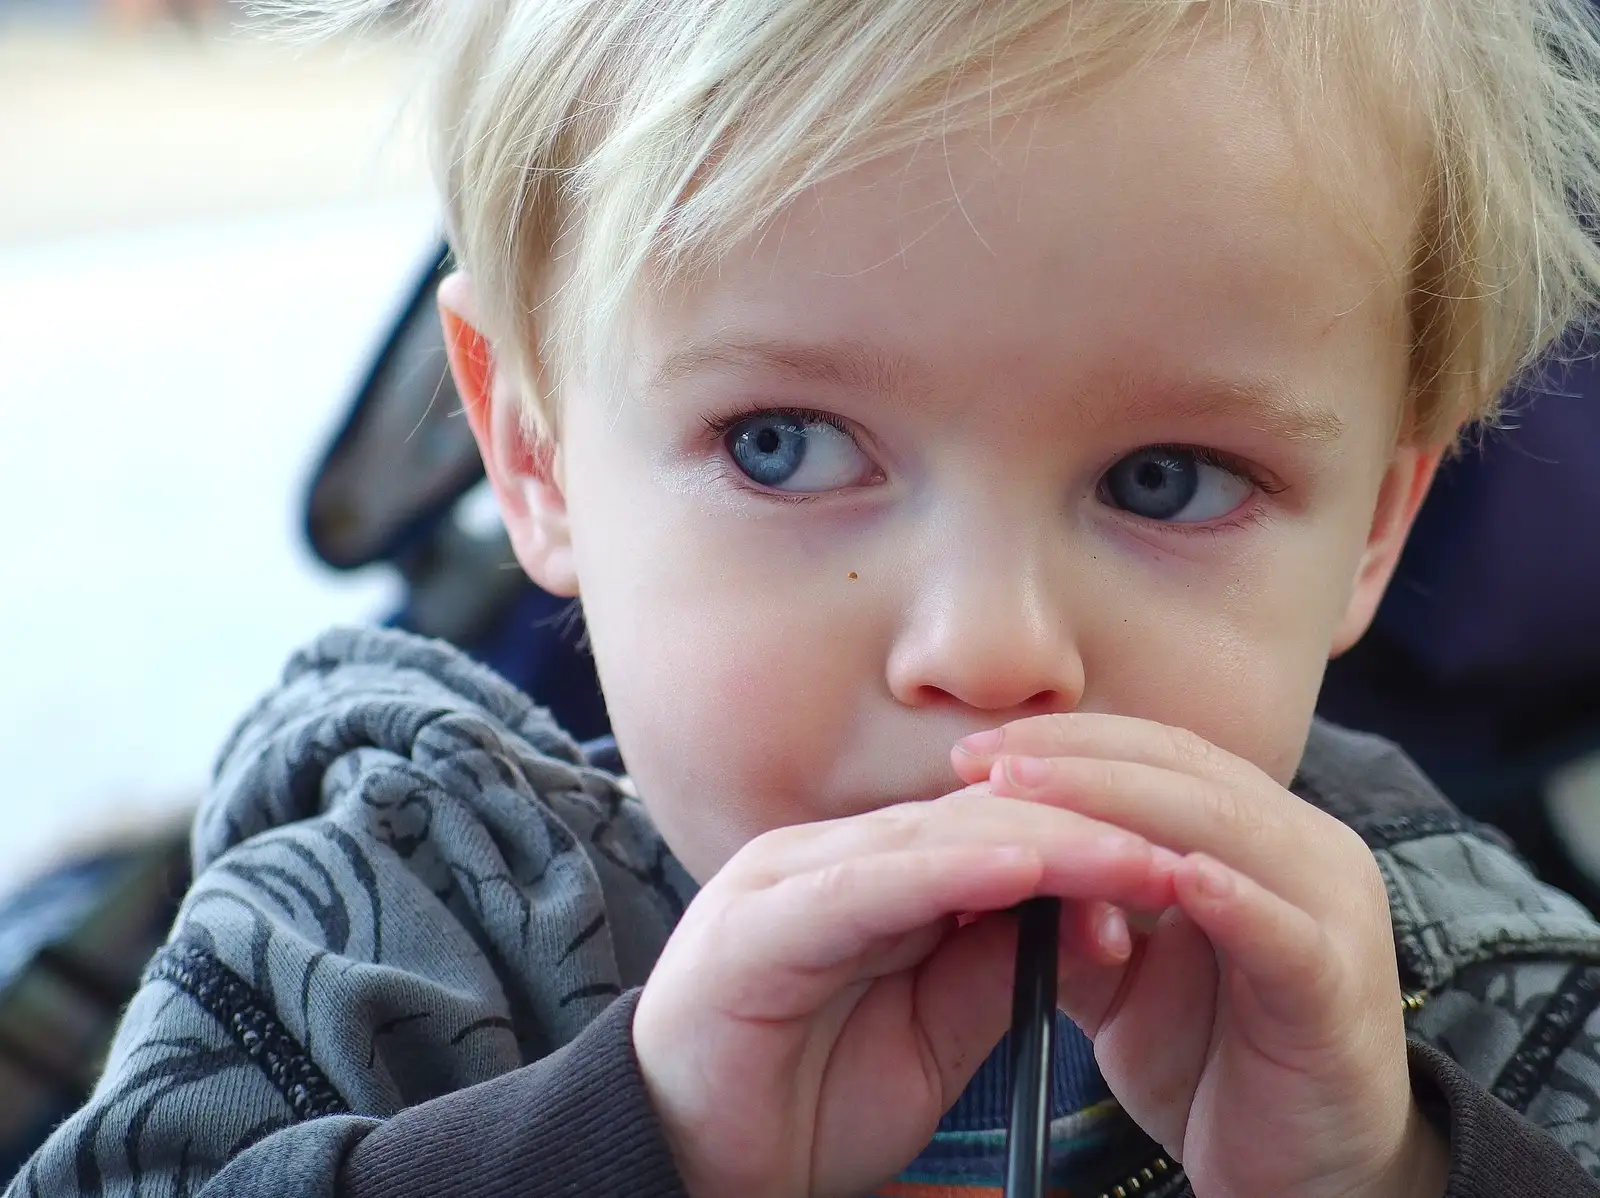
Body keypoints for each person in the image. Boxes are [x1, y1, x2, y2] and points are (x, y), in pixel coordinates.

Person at [15, 1, 1600, 1195]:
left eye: (1166, 477)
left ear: (1379, 522)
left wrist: (1389, 1171)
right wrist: (636, 1145)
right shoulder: (378, 946)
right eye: (782, 446)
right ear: (535, 449)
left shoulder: (1461, 983)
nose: (988, 647)